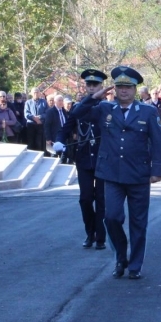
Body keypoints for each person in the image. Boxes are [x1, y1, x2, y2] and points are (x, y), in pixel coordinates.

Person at [69, 66, 161, 280]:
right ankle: (121, 256)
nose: (123, 91)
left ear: (135, 89)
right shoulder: (104, 108)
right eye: (120, 86)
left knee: (138, 222)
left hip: (139, 175)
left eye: (128, 87)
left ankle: (135, 265)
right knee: (111, 218)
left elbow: (157, 142)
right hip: (111, 174)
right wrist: (93, 97)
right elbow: (76, 113)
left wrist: (157, 170)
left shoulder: (148, 112)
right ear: (114, 89)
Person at [55, 69, 109, 250]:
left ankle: (100, 237)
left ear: (102, 86)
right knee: (85, 199)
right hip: (84, 158)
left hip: (103, 158)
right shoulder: (80, 107)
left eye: (96, 85)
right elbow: (67, 126)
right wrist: (59, 141)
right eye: (89, 85)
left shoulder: (109, 107)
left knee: (102, 200)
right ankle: (90, 232)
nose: (92, 88)